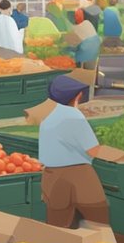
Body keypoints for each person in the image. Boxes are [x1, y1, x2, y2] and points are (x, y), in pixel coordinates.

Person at [39, 76, 108, 230]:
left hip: (51, 177)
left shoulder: (47, 116)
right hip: (78, 176)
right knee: (98, 223)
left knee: (57, 228)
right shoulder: (74, 116)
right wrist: (123, 154)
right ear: (77, 96)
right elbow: (93, 150)